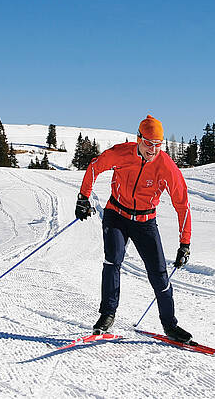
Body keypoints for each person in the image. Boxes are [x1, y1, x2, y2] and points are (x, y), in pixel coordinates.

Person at [75, 114, 193, 342]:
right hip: (116, 214)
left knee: (159, 275)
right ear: (138, 138)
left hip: (145, 222)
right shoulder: (121, 153)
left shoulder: (166, 166)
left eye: (158, 145)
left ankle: (170, 326)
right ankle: (107, 315)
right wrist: (83, 197)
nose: (152, 149)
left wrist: (185, 243)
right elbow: (94, 167)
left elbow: (182, 204)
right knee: (113, 260)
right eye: (148, 143)